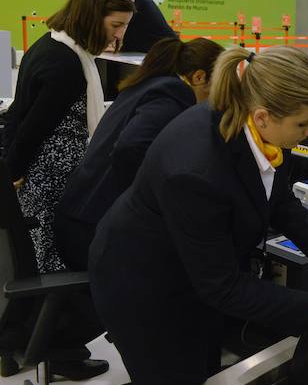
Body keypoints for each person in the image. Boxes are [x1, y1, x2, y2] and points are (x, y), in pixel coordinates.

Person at [89, 46, 308, 385]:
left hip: (193, 274)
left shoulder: (262, 129)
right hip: (144, 285)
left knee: (203, 374)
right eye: (304, 123)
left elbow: (278, 200)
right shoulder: (196, 170)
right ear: (262, 117)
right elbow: (221, 286)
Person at [1, 0, 134, 381]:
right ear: (92, 17)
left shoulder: (51, 45)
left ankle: (17, 344)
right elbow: (32, 129)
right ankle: (58, 352)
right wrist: (17, 175)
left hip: (42, 182)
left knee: (34, 265)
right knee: (59, 270)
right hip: (50, 185)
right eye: (114, 25)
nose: (118, 35)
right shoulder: (66, 66)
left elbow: (18, 117)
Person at [55, 37, 224, 270]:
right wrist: (147, 199)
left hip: (77, 219)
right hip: (93, 230)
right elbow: (130, 148)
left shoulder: (147, 83)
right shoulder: (172, 94)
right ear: (199, 77)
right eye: (219, 87)